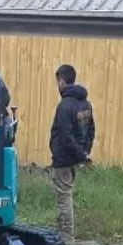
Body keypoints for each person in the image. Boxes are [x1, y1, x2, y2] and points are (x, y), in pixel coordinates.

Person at [48, 64, 94, 236]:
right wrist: (84, 153)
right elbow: (91, 131)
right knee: (66, 194)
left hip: (64, 159)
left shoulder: (65, 106)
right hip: (75, 157)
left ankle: (66, 237)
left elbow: (66, 137)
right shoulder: (86, 104)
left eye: (57, 82)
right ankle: (62, 232)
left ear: (61, 82)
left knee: (63, 197)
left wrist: (81, 154)